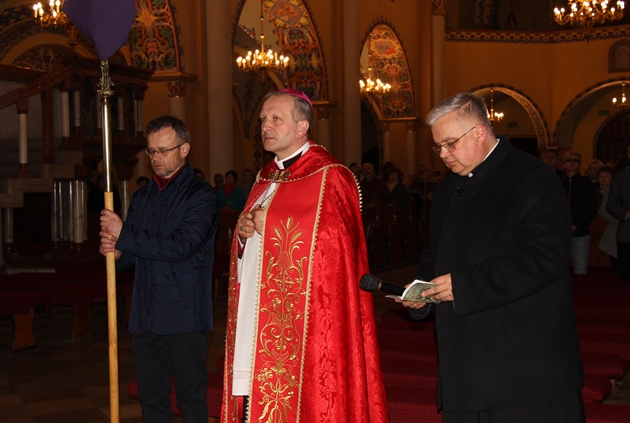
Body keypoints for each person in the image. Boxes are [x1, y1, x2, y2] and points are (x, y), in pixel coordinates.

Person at [401, 92, 585, 423]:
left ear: (479, 133)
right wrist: (422, 291)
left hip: (524, 365)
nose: (443, 155)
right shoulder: (448, 190)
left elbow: (544, 257)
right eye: (438, 147)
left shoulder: (532, 177)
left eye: (450, 144)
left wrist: (464, 285)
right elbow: (435, 254)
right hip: (466, 363)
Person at [221, 89, 388, 423]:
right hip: (258, 313)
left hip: (309, 319)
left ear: (302, 127)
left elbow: (338, 246)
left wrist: (273, 223)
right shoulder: (264, 177)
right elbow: (252, 243)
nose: (265, 126)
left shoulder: (331, 175)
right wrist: (243, 235)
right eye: (263, 119)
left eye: (276, 118)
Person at [99, 115, 219, 422]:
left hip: (183, 316)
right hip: (145, 316)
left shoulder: (201, 196)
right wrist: (118, 253)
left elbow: (180, 247)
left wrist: (125, 234)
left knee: (191, 401)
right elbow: (135, 257)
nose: (155, 157)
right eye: (151, 151)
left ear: (184, 149)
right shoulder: (143, 197)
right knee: (151, 401)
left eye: (163, 150)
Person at [607, 137, 630, 283]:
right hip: (627, 230)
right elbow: (610, 205)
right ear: (627, 155)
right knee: (626, 278)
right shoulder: (620, 177)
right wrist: (627, 214)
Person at [560, 151, 597, 275]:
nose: (572, 163)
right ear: (564, 164)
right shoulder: (557, 181)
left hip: (580, 233)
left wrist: (577, 225)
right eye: (569, 160)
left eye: (575, 160)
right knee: (558, 269)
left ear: (580, 165)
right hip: (559, 233)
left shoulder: (586, 183)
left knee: (580, 269)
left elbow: (592, 209)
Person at [597, 166, 619, 275]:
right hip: (612, 230)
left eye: (607, 176)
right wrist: (619, 223)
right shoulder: (605, 191)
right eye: (601, 176)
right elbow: (603, 211)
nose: (603, 179)